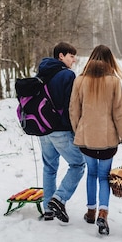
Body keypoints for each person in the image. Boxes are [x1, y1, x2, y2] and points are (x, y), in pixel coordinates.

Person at [69, 44, 122, 236]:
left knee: (91, 174)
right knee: (104, 176)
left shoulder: (80, 80)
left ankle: (90, 213)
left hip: (87, 139)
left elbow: (74, 110)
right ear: (109, 60)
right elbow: (119, 114)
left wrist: (78, 130)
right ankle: (103, 215)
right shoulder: (114, 81)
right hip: (107, 141)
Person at [37, 42, 86, 223]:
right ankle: (59, 198)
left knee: (49, 167)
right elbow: (70, 106)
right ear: (61, 56)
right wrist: (76, 130)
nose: (74, 59)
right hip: (60, 130)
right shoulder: (67, 75)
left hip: (43, 130)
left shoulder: (42, 72)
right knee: (78, 164)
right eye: (71, 56)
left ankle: (48, 209)